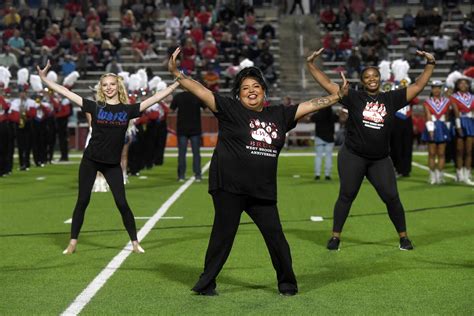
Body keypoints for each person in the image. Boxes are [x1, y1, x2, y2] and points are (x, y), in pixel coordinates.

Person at [168, 47, 348, 296]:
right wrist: (178, 73)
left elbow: (311, 105)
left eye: (256, 86)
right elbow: (201, 90)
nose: (251, 91)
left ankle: (287, 283)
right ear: (238, 94)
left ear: (264, 91)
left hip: (261, 190)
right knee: (222, 237)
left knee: (276, 239)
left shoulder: (279, 115)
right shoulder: (229, 109)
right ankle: (206, 283)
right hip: (228, 187)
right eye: (245, 88)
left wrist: (336, 97)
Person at [37, 61, 180, 254]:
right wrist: (45, 79)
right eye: (105, 85)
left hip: (112, 164)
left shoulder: (128, 110)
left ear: (118, 86)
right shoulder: (94, 107)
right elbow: (66, 93)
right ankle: (72, 242)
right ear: (101, 89)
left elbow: (154, 99)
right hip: (91, 160)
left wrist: (175, 83)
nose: (109, 88)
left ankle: (135, 242)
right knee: (83, 200)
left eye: (112, 84)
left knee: (122, 203)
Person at [306, 47, 436, 251]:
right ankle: (335, 237)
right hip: (353, 156)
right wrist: (311, 65)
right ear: (362, 81)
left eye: (375, 76)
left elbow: (418, 85)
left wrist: (430, 64)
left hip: (380, 159)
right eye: (367, 77)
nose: (372, 79)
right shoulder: (353, 97)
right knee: (347, 195)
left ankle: (403, 238)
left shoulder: (390, 99)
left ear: (380, 78)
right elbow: (327, 84)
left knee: (392, 197)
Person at [421, 81, 460, 184]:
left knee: (442, 153)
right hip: (432, 126)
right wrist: (430, 130)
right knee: (432, 153)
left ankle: (440, 175)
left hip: (442, 127)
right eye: (434, 88)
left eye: (438, 88)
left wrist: (447, 129)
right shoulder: (427, 102)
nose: (437, 90)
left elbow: (447, 116)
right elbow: (428, 115)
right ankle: (432, 176)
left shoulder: (447, 101)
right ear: (432, 89)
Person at [170, 90, 206, 182]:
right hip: (195, 129)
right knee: (196, 154)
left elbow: (171, 111)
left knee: (182, 154)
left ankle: (181, 175)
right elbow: (206, 110)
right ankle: (198, 175)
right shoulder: (197, 95)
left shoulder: (178, 96)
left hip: (182, 129)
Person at [450, 78, 474, 183]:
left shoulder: (473, 97)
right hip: (460, 122)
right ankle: (459, 173)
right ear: (458, 85)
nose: (463, 85)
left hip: (471, 123)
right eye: (461, 83)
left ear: (469, 85)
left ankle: (467, 175)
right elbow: (456, 113)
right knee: (459, 150)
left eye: (465, 83)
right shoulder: (454, 97)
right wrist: (458, 126)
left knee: (469, 150)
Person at [310, 106, 338, 180]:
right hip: (329, 138)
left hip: (319, 137)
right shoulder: (332, 114)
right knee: (328, 156)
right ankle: (327, 174)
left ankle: (317, 174)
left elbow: (311, 118)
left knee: (318, 156)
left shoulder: (318, 114)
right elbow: (337, 118)